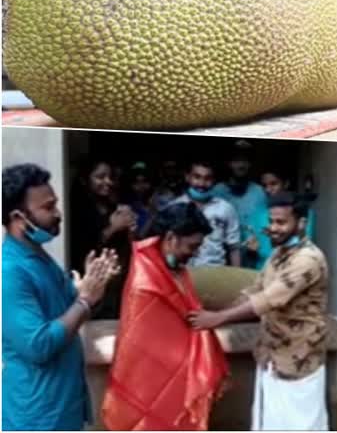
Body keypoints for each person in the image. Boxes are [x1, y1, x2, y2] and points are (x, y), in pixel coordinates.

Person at [187, 191, 329, 431]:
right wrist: (213, 314)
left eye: (281, 222)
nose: (273, 228)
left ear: (302, 223)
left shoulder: (309, 259)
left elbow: (268, 299)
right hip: (272, 355)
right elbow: (254, 289)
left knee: (302, 424)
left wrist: (218, 318)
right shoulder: (278, 254)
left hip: (299, 359)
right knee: (270, 422)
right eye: (271, 221)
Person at [2, 163, 120, 430]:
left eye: (55, 204)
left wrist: (91, 284)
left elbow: (69, 311)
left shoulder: (39, 255)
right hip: (35, 417)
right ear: (19, 218)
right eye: (47, 207)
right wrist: (84, 301)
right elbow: (38, 345)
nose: (57, 213)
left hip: (64, 407)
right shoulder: (9, 272)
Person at [101, 203, 229, 430]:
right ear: (171, 238)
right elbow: (148, 334)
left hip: (179, 380)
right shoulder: (144, 273)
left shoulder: (175, 269)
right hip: (146, 379)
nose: (195, 253)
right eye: (192, 246)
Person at [69, 159, 136, 318]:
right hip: (92, 283)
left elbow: (128, 245)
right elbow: (80, 246)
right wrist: (112, 228)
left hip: (117, 279)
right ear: (85, 180)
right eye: (100, 177)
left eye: (110, 177)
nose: (108, 182)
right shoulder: (77, 208)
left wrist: (131, 228)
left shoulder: (113, 205)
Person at [170, 160, 241, 267]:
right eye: (197, 177)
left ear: (214, 180)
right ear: (187, 177)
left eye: (208, 178)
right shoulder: (175, 207)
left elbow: (234, 247)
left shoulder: (225, 208)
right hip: (184, 272)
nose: (202, 184)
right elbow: (168, 246)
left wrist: (237, 277)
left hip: (215, 273)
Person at [212, 141, 270, 270]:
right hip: (222, 261)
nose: (241, 165)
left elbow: (266, 226)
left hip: (254, 261)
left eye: (245, 161)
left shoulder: (259, 192)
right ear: (229, 163)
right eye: (236, 161)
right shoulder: (217, 192)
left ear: (250, 164)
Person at [124, 161, 155, 236]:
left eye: (145, 181)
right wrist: (153, 216)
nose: (141, 187)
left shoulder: (157, 200)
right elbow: (138, 236)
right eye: (136, 182)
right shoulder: (128, 208)